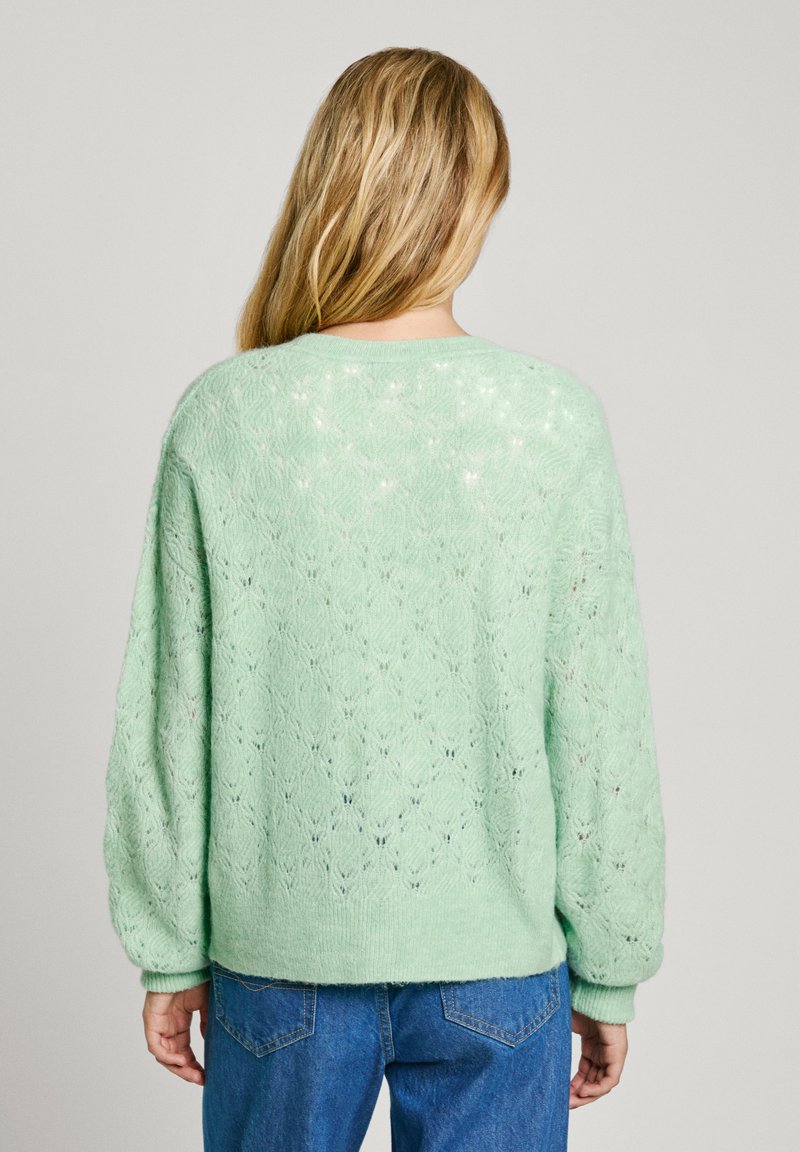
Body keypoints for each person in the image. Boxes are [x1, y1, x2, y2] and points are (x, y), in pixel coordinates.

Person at [103, 46, 666, 1152]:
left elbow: (170, 714)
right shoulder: (551, 420)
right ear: (473, 200)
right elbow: (600, 723)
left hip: (278, 966)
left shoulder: (225, 416)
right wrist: (611, 966)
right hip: (498, 972)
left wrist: (168, 949)